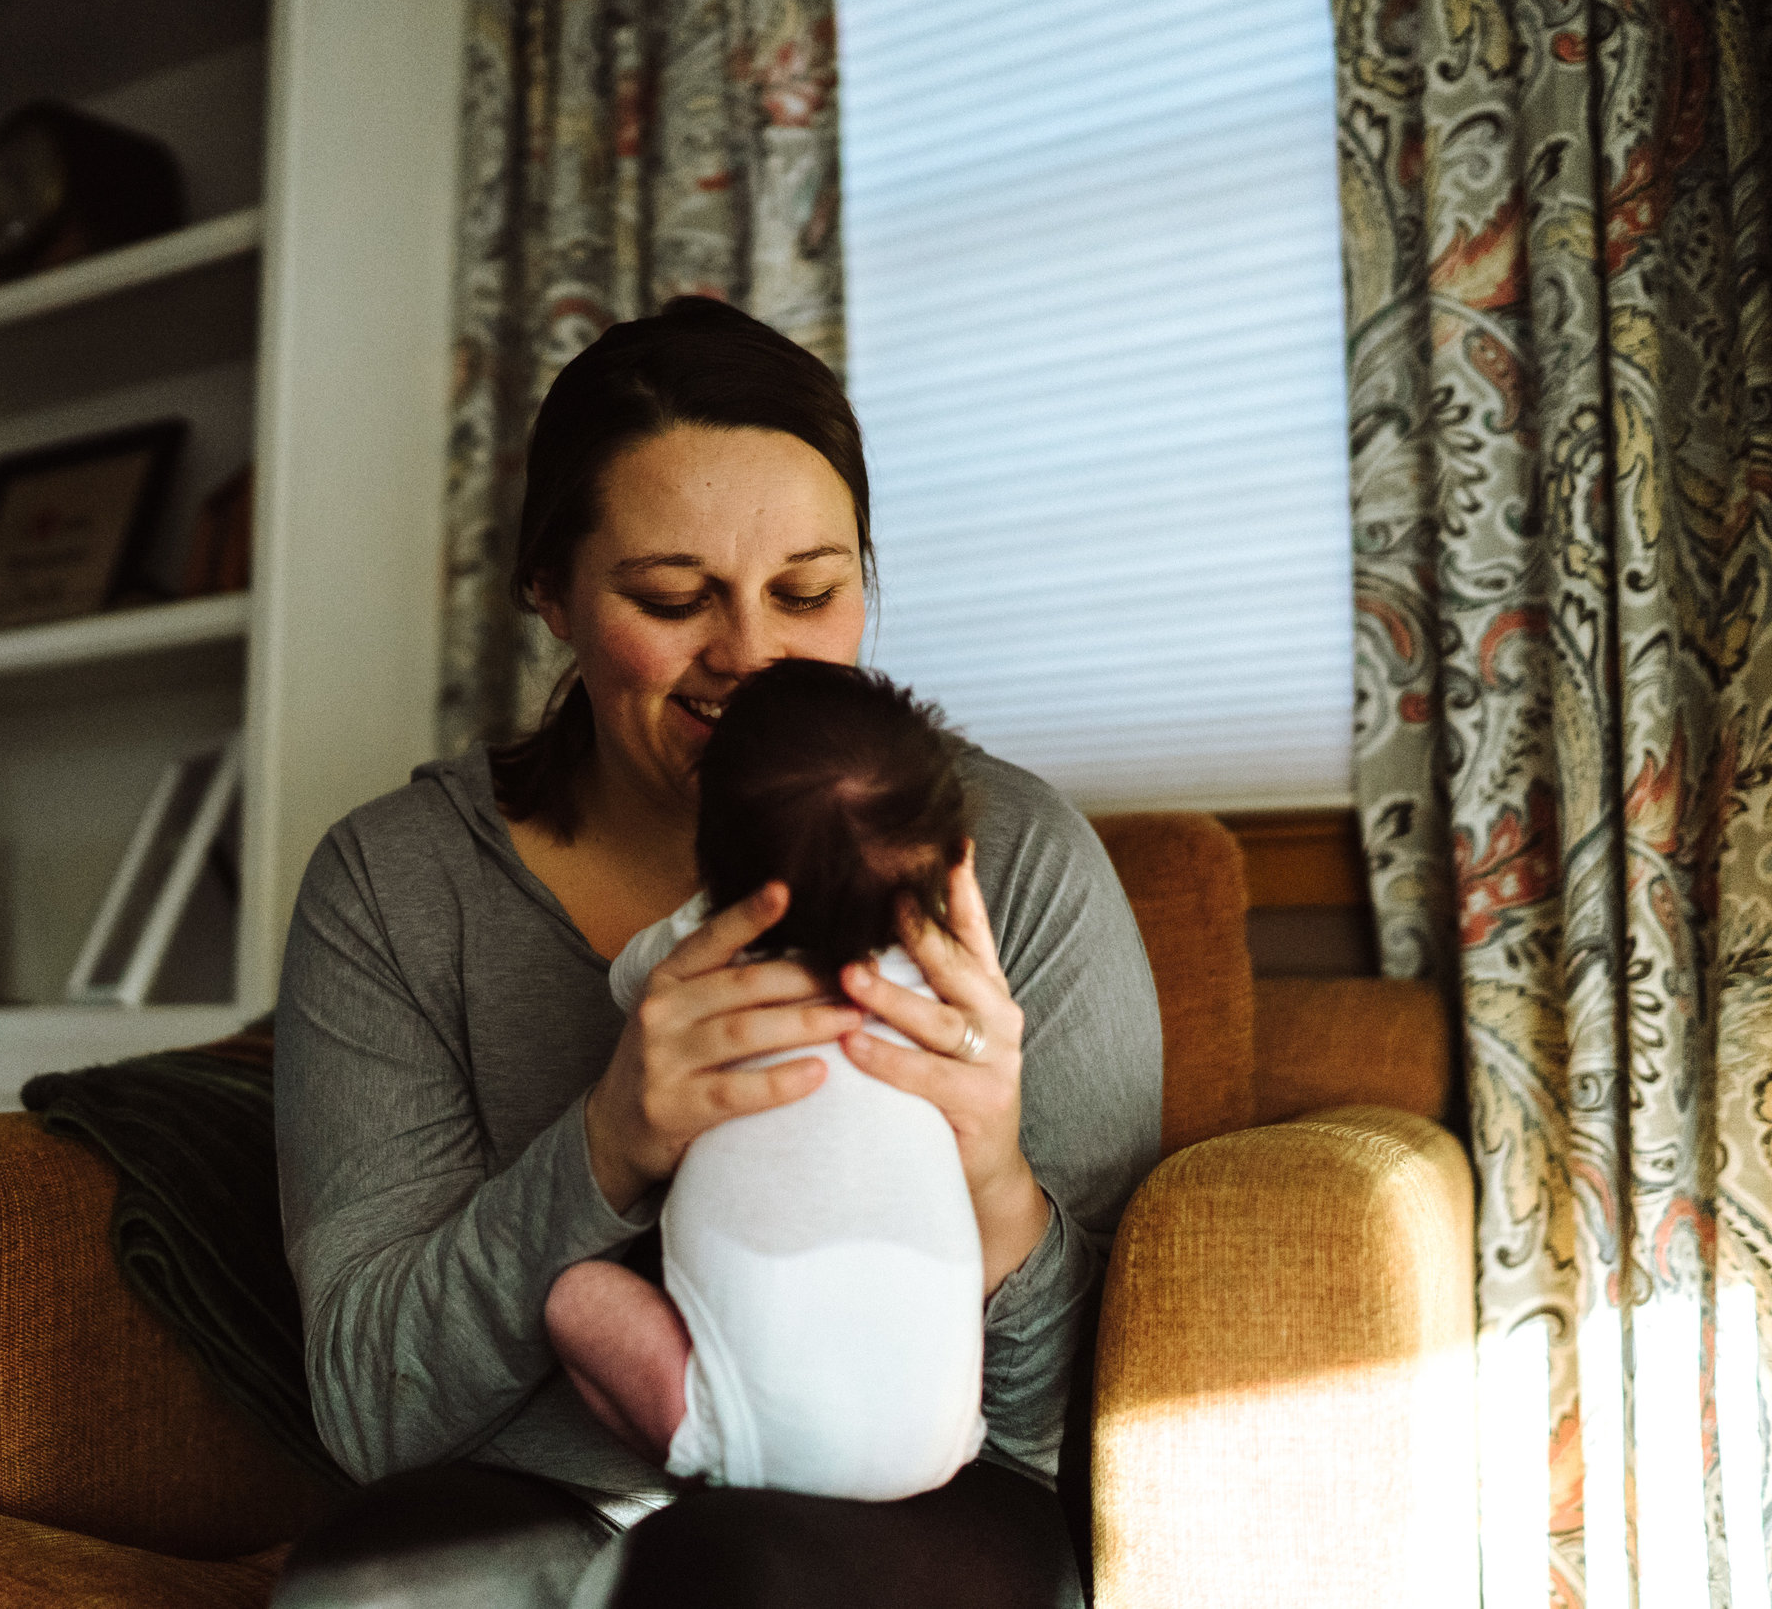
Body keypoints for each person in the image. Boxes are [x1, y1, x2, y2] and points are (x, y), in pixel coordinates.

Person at [271, 295, 1162, 1609]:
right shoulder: (397, 885)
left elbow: (1081, 1432)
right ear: (550, 593)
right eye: (673, 596)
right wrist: (606, 1143)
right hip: (539, 1492)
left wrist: (995, 1179)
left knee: (726, 1575)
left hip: (913, 1494)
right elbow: (367, 1404)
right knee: (372, 1590)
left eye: (811, 590)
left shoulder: (1008, 856)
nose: (749, 655)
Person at [547, 657, 988, 1501]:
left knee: (576, 1296)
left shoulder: (689, 956)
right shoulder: (950, 984)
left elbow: (623, 989)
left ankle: (713, 1442)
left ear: (713, 853)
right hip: (940, 1438)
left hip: (753, 1429)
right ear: (946, 857)